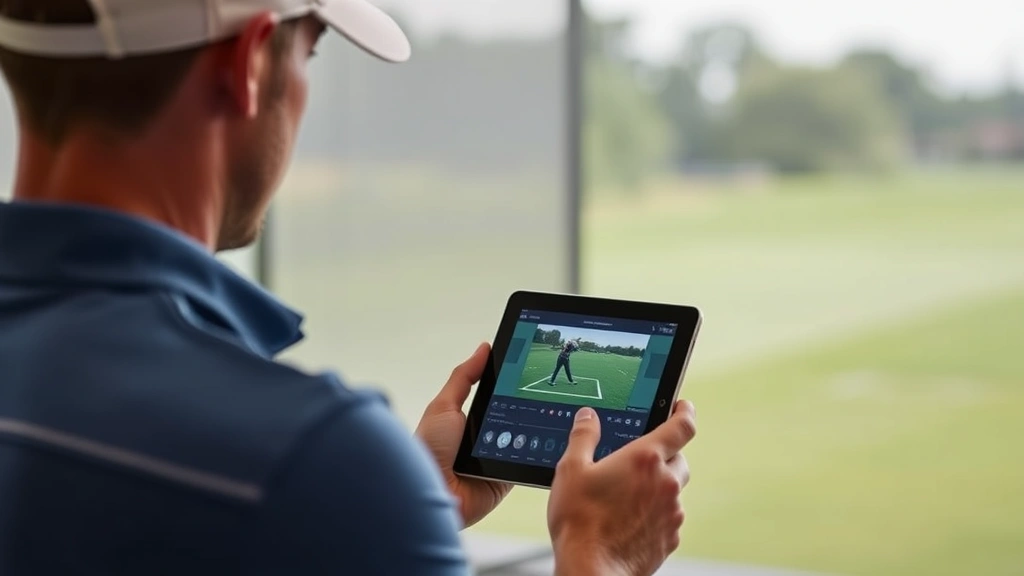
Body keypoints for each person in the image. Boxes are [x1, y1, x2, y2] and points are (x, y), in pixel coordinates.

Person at [0, 1, 698, 575]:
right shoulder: (309, 461)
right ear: (248, 64)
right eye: (311, 54)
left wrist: (413, 510)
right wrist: (598, 554)